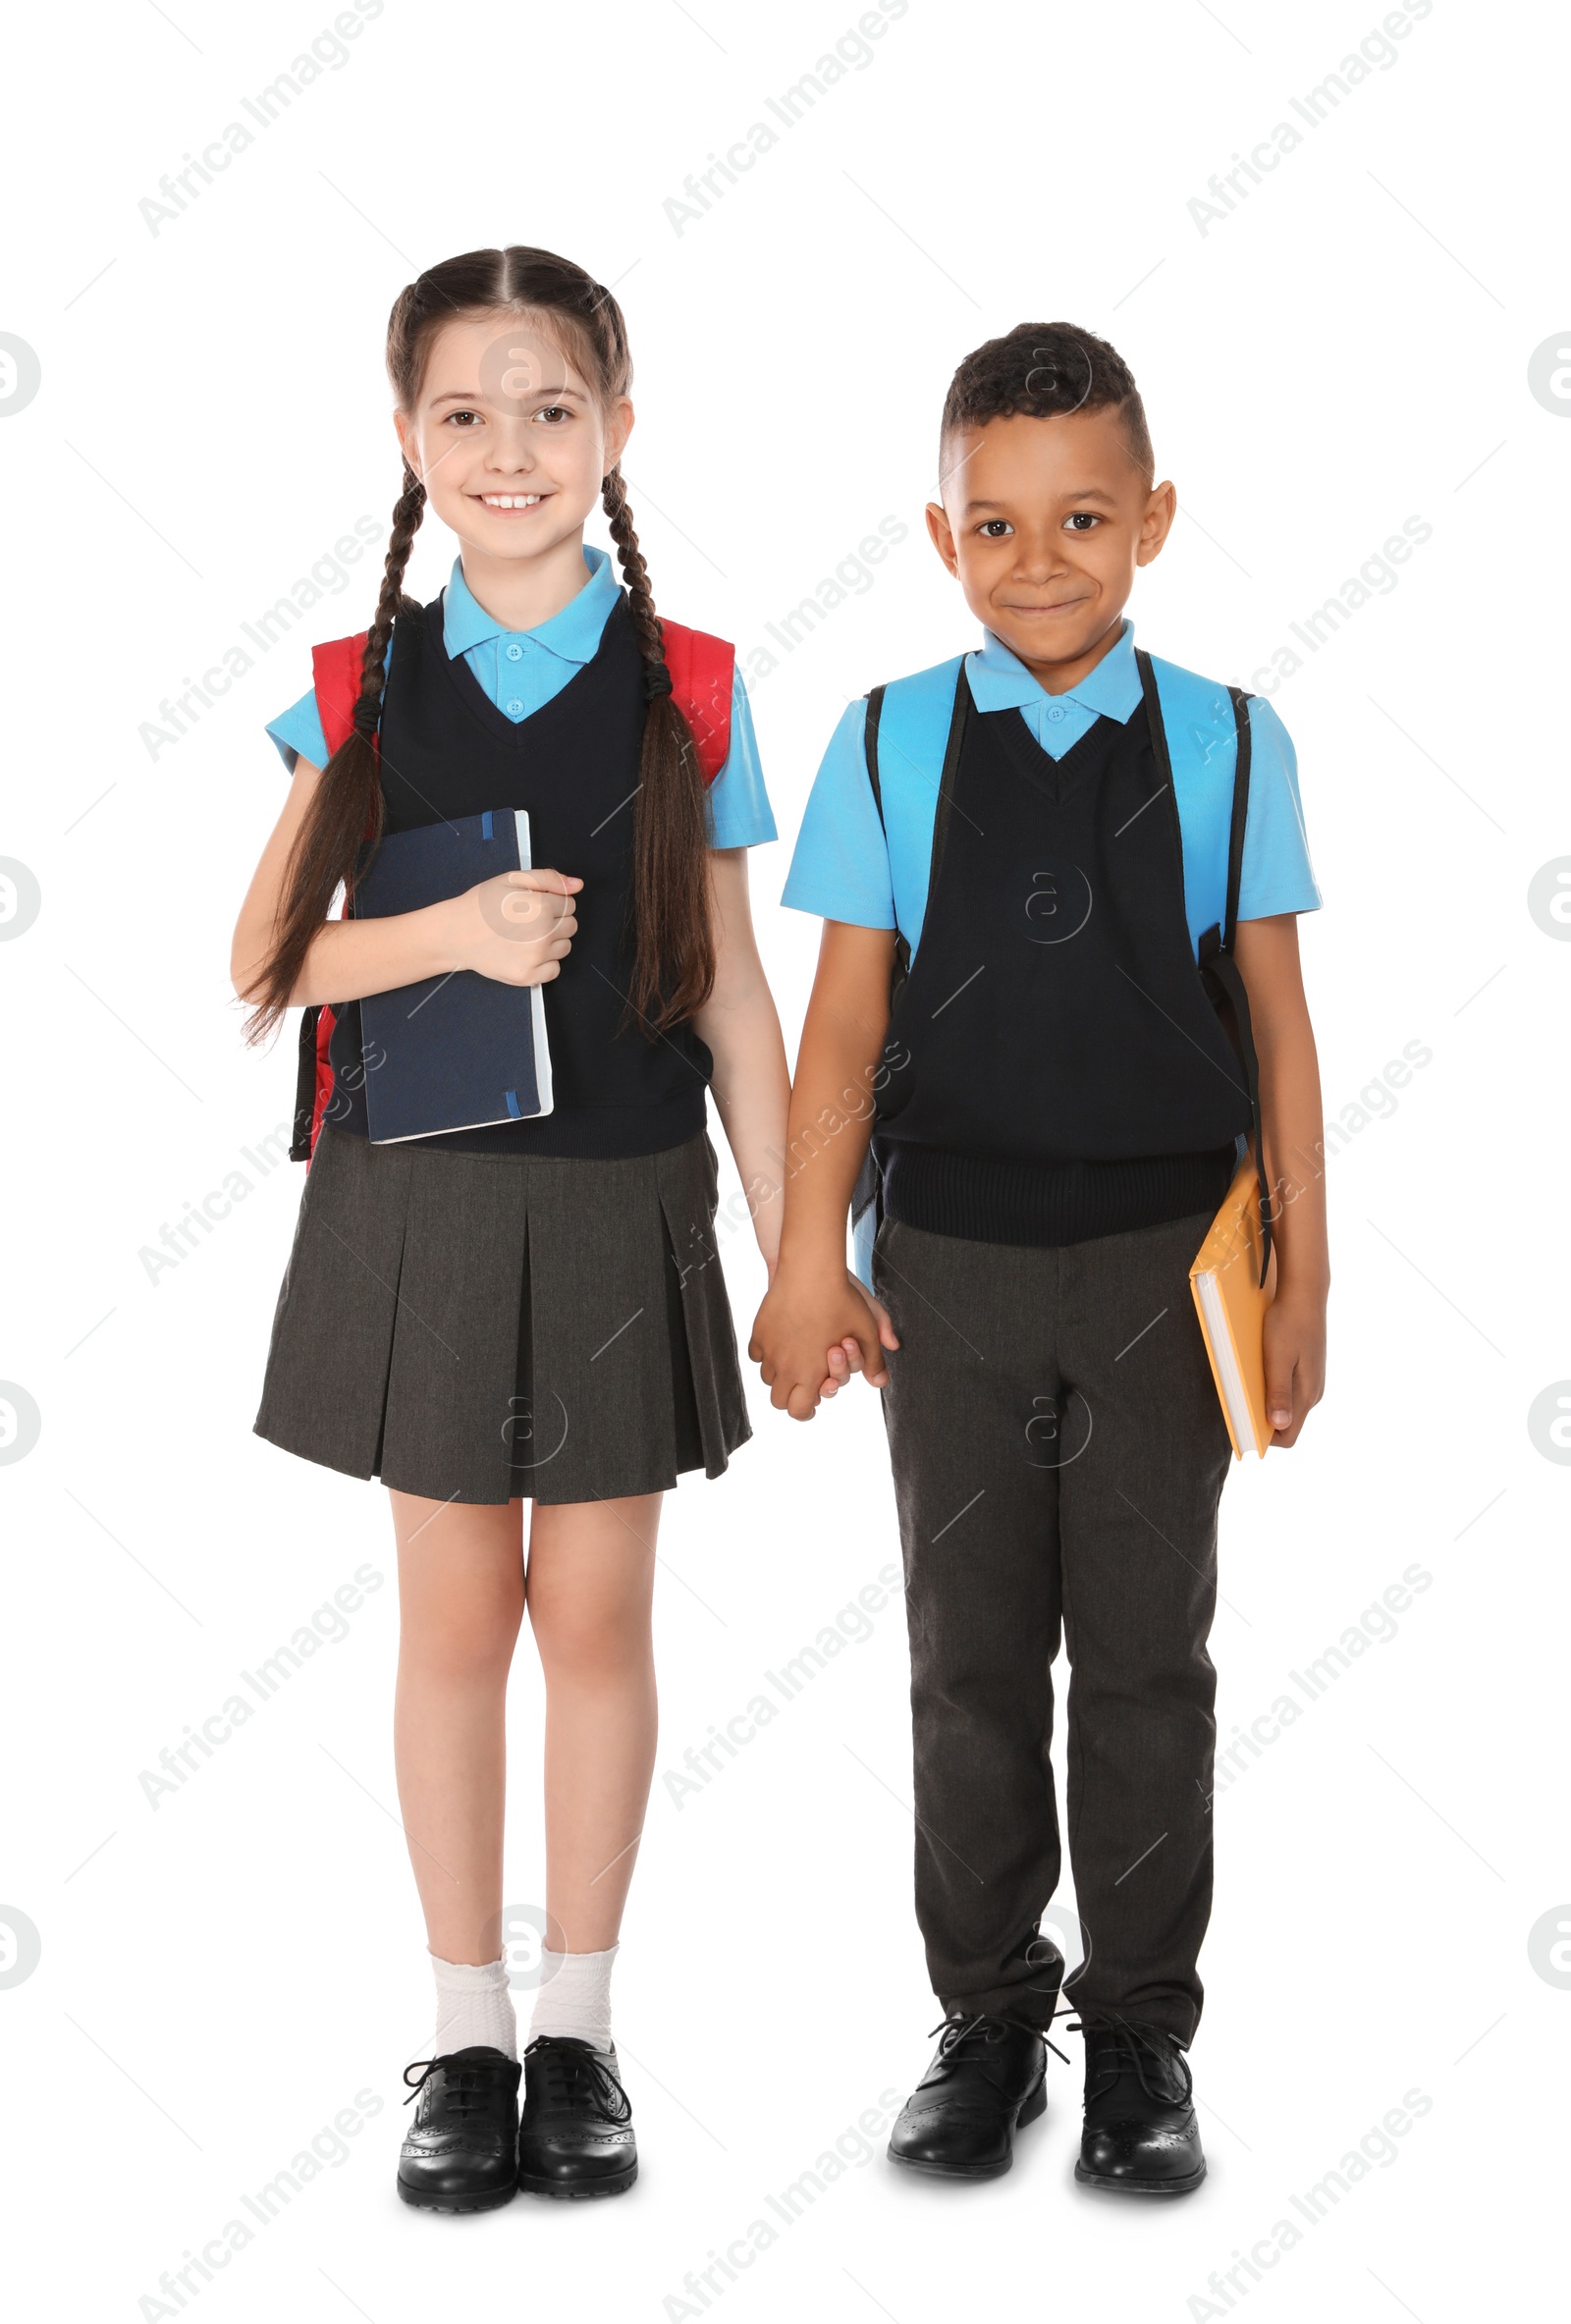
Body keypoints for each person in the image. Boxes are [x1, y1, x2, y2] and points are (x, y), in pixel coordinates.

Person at [232, 246, 787, 2211]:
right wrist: (452, 932)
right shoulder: (354, 688)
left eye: (552, 406)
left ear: (617, 429)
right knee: (457, 1616)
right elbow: (270, 958)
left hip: (629, 1195)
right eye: (460, 411)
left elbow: (731, 994)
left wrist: (805, 1243)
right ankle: (465, 2033)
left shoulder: (693, 683)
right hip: (426, 1202)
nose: (508, 447)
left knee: (600, 1616)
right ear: (405, 441)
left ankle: (581, 2028)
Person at [751, 321, 1327, 2194]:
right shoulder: (892, 740)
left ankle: (1141, 2037)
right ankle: (989, 2015)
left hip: (1173, 1269)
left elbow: (1280, 1026)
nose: (1043, 560)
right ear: (943, 540)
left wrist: (1304, 1271)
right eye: (995, 526)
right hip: (949, 1276)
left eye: (1084, 516)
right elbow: (841, 1033)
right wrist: (806, 1261)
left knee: (1153, 1664)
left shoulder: (1237, 743)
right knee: (969, 1658)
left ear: (1153, 517)